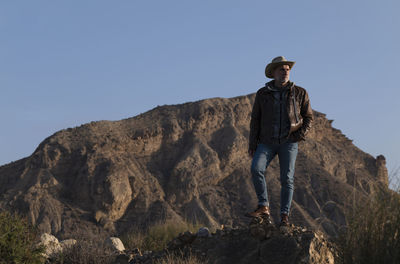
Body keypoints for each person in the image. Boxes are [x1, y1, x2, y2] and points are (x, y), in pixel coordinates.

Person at [245, 56, 313, 226]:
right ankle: (263, 206)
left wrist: (299, 135)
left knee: (287, 179)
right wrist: (252, 144)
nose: (286, 71)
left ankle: (284, 216)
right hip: (266, 142)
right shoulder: (262, 93)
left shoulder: (300, 92)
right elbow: (255, 120)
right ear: (274, 73)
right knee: (256, 168)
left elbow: (309, 117)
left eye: (288, 69)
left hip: (289, 142)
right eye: (281, 69)